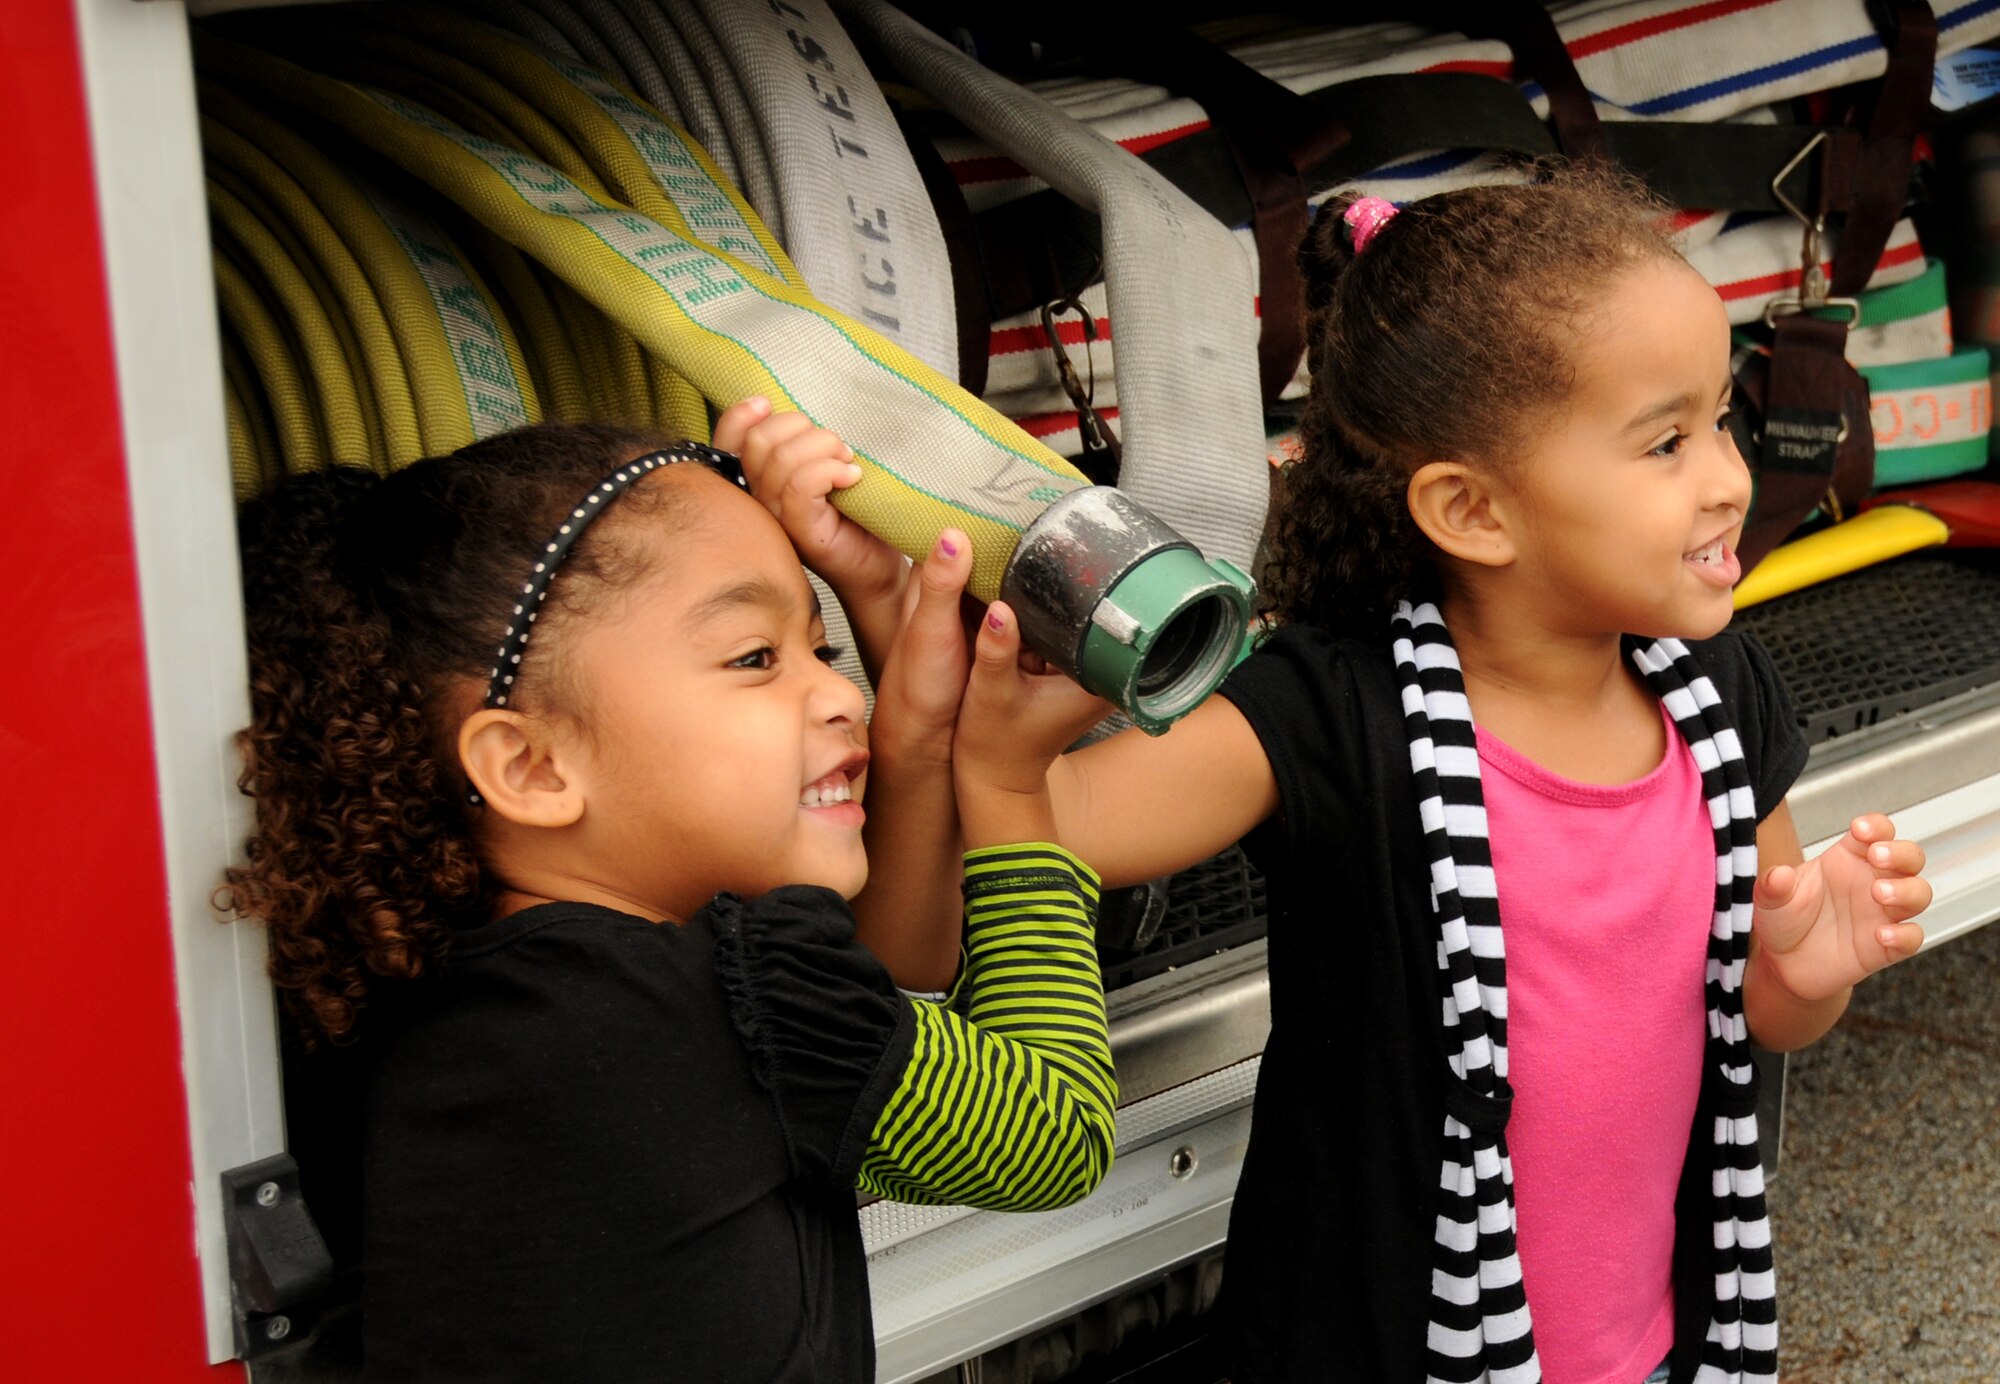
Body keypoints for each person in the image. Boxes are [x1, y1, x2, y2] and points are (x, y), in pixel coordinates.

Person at [742, 165, 1937, 1384]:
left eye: (1723, 417)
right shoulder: (1328, 711)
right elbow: (1039, 836)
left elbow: (1763, 1009)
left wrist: (1807, 969)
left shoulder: (1716, 693)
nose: (1729, 475)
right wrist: (911, 636)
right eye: (1666, 441)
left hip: (1638, 1346)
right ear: (1470, 510)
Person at [222, 407, 1116, 1383]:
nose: (837, 695)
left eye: (819, 652)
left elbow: (889, 968)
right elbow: (1054, 1128)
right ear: (528, 764)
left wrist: (902, 703)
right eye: (752, 658)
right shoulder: (725, 1006)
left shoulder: (436, 994)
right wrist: (1007, 783)